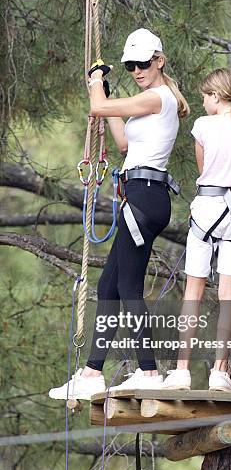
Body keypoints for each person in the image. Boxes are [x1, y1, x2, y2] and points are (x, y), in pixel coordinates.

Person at [49, 28, 189, 400]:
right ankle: (93, 371)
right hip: (141, 195)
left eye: (143, 63)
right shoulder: (149, 101)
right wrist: (106, 94)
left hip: (145, 197)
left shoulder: (158, 97)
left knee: (127, 286)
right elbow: (124, 143)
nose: (138, 70)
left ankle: (147, 370)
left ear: (158, 60)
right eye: (131, 66)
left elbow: (96, 107)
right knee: (109, 286)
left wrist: (96, 81)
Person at [160, 68, 231, 391]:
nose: (203, 102)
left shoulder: (203, 126)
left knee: (193, 291)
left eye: (205, 96)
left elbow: (204, 170)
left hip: (207, 210)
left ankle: (181, 370)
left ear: (215, 96)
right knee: (228, 295)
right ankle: (219, 371)